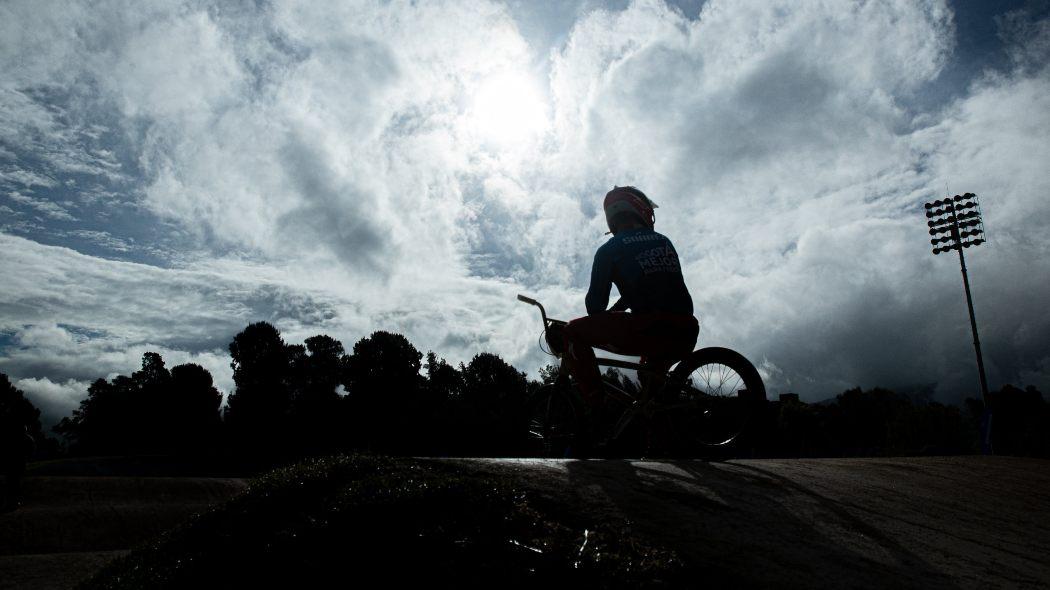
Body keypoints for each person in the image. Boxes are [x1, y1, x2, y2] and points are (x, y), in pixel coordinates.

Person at [562, 186, 699, 424]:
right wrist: (621, 306)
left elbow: (594, 308)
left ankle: (597, 407)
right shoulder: (664, 241)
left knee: (571, 331)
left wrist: (607, 312)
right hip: (685, 331)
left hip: (648, 331)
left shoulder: (609, 250)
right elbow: (655, 287)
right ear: (641, 210)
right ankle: (661, 439)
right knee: (650, 392)